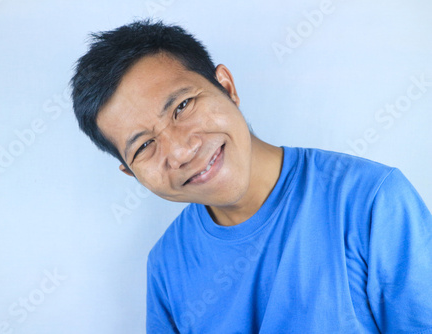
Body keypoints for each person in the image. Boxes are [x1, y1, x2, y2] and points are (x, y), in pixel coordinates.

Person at [70, 19, 432, 333]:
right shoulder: (166, 265)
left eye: (182, 106)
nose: (180, 151)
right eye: (144, 145)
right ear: (131, 173)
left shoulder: (371, 201)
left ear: (226, 86)